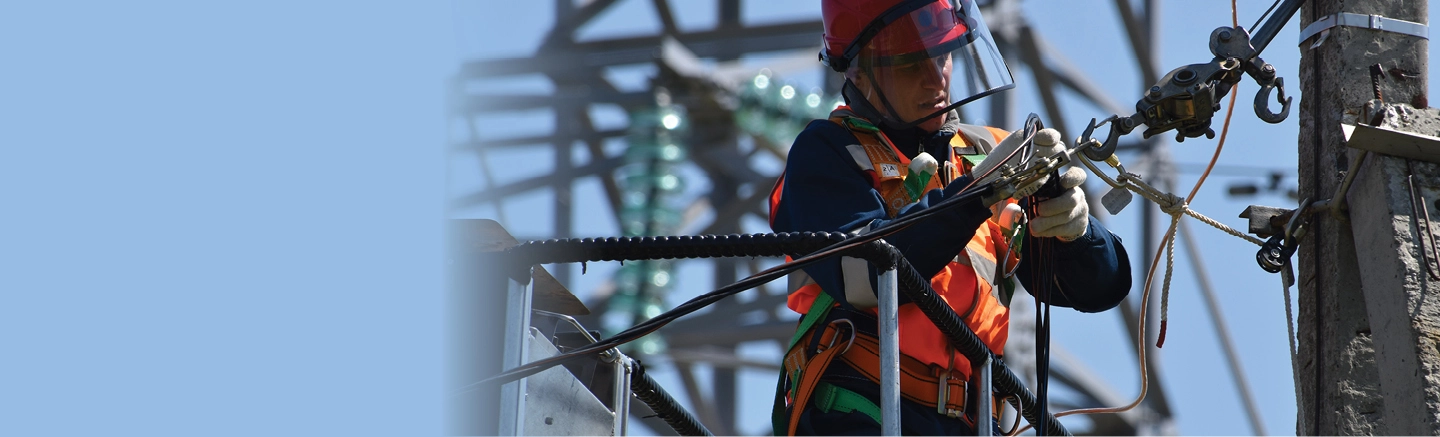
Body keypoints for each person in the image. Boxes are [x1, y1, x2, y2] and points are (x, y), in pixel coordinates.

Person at [767, 0, 1133, 435]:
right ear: (857, 72)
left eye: (942, 55)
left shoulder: (985, 153)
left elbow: (1098, 288)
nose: (935, 77)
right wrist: (978, 193)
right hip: (863, 409)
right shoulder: (827, 152)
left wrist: (1077, 231)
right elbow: (862, 275)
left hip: (973, 419)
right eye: (909, 64)